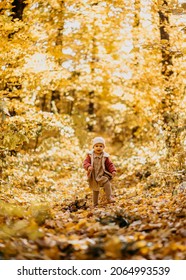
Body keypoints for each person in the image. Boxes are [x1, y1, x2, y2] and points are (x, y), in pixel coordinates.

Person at [83, 136, 116, 207]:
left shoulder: (105, 156)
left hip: (102, 174)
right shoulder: (90, 156)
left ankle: (109, 197)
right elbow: (85, 163)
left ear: (103, 147)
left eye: (101, 146)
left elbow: (110, 164)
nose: (98, 148)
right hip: (94, 175)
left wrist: (113, 170)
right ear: (93, 147)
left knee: (107, 182)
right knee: (95, 190)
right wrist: (88, 166)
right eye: (96, 146)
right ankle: (95, 204)